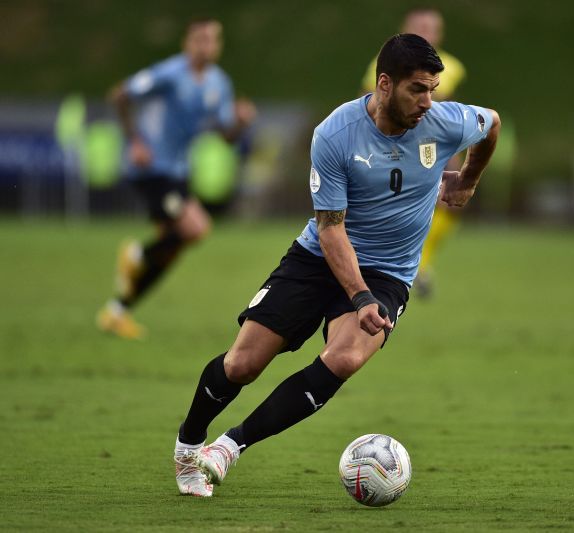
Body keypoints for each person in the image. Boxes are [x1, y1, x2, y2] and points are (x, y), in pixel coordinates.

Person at [172, 33, 500, 497]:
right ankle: (189, 443)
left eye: (433, 88)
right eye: (418, 89)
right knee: (243, 364)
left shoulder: (444, 121)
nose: (429, 101)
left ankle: (229, 447)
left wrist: (468, 178)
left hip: (389, 271)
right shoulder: (335, 134)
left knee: (345, 356)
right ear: (385, 84)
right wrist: (358, 296)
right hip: (318, 258)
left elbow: (492, 125)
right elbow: (331, 230)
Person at [96, 18, 257, 339]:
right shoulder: (169, 74)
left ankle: (116, 311)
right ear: (187, 43)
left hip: (178, 172)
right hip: (152, 167)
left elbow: (225, 136)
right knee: (195, 228)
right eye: (200, 39)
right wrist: (136, 142)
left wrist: (240, 122)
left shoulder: (218, 84)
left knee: (171, 248)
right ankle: (136, 255)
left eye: (212, 40)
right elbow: (119, 95)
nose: (206, 46)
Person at [362, 8, 466, 298]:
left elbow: (447, 115)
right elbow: (368, 105)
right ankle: (394, 263)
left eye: (432, 28)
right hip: (394, 147)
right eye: (420, 27)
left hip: (430, 149)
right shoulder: (381, 64)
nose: (426, 33)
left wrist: (453, 154)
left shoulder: (451, 67)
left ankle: (420, 260)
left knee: (449, 205)